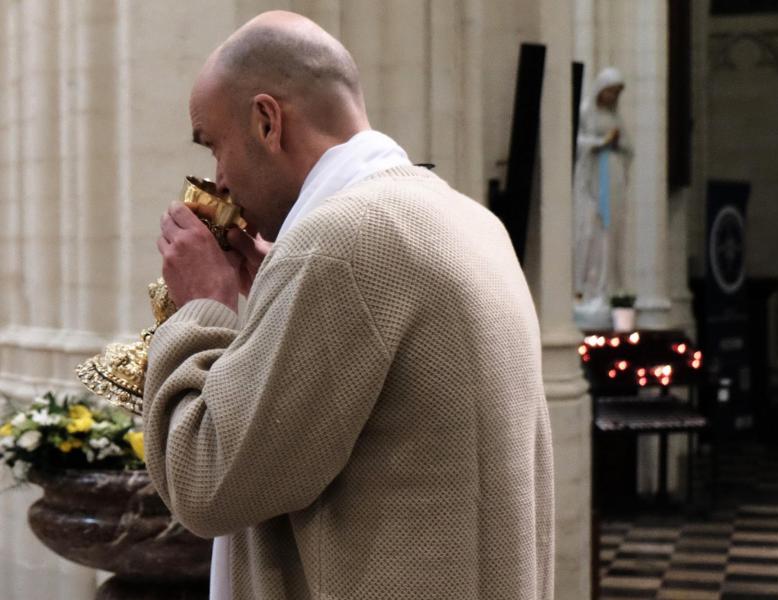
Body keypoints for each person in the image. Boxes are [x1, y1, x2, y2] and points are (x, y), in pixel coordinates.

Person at [146, 10, 553, 600]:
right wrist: (273, 292)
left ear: (266, 121)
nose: (219, 181)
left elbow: (207, 482)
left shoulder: (337, 245)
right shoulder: (471, 222)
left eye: (214, 147)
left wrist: (200, 310)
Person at [573, 66, 633, 329]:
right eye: (609, 91)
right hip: (594, 177)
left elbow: (629, 147)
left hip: (613, 178)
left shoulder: (614, 116)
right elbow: (577, 142)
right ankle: (589, 290)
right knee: (592, 235)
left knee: (611, 236)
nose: (611, 97)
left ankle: (607, 291)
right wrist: (599, 143)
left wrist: (616, 143)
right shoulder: (586, 110)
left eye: (615, 93)